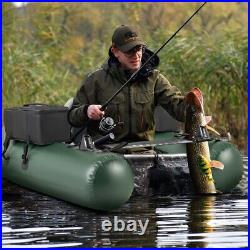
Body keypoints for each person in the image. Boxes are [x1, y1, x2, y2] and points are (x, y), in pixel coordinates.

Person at [68, 25, 186, 143]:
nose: (136, 55)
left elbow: (177, 107)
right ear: (115, 52)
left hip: (143, 151)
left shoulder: (155, 79)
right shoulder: (96, 79)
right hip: (105, 152)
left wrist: (197, 113)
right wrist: (86, 110)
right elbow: (72, 116)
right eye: (129, 51)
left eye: (138, 49)